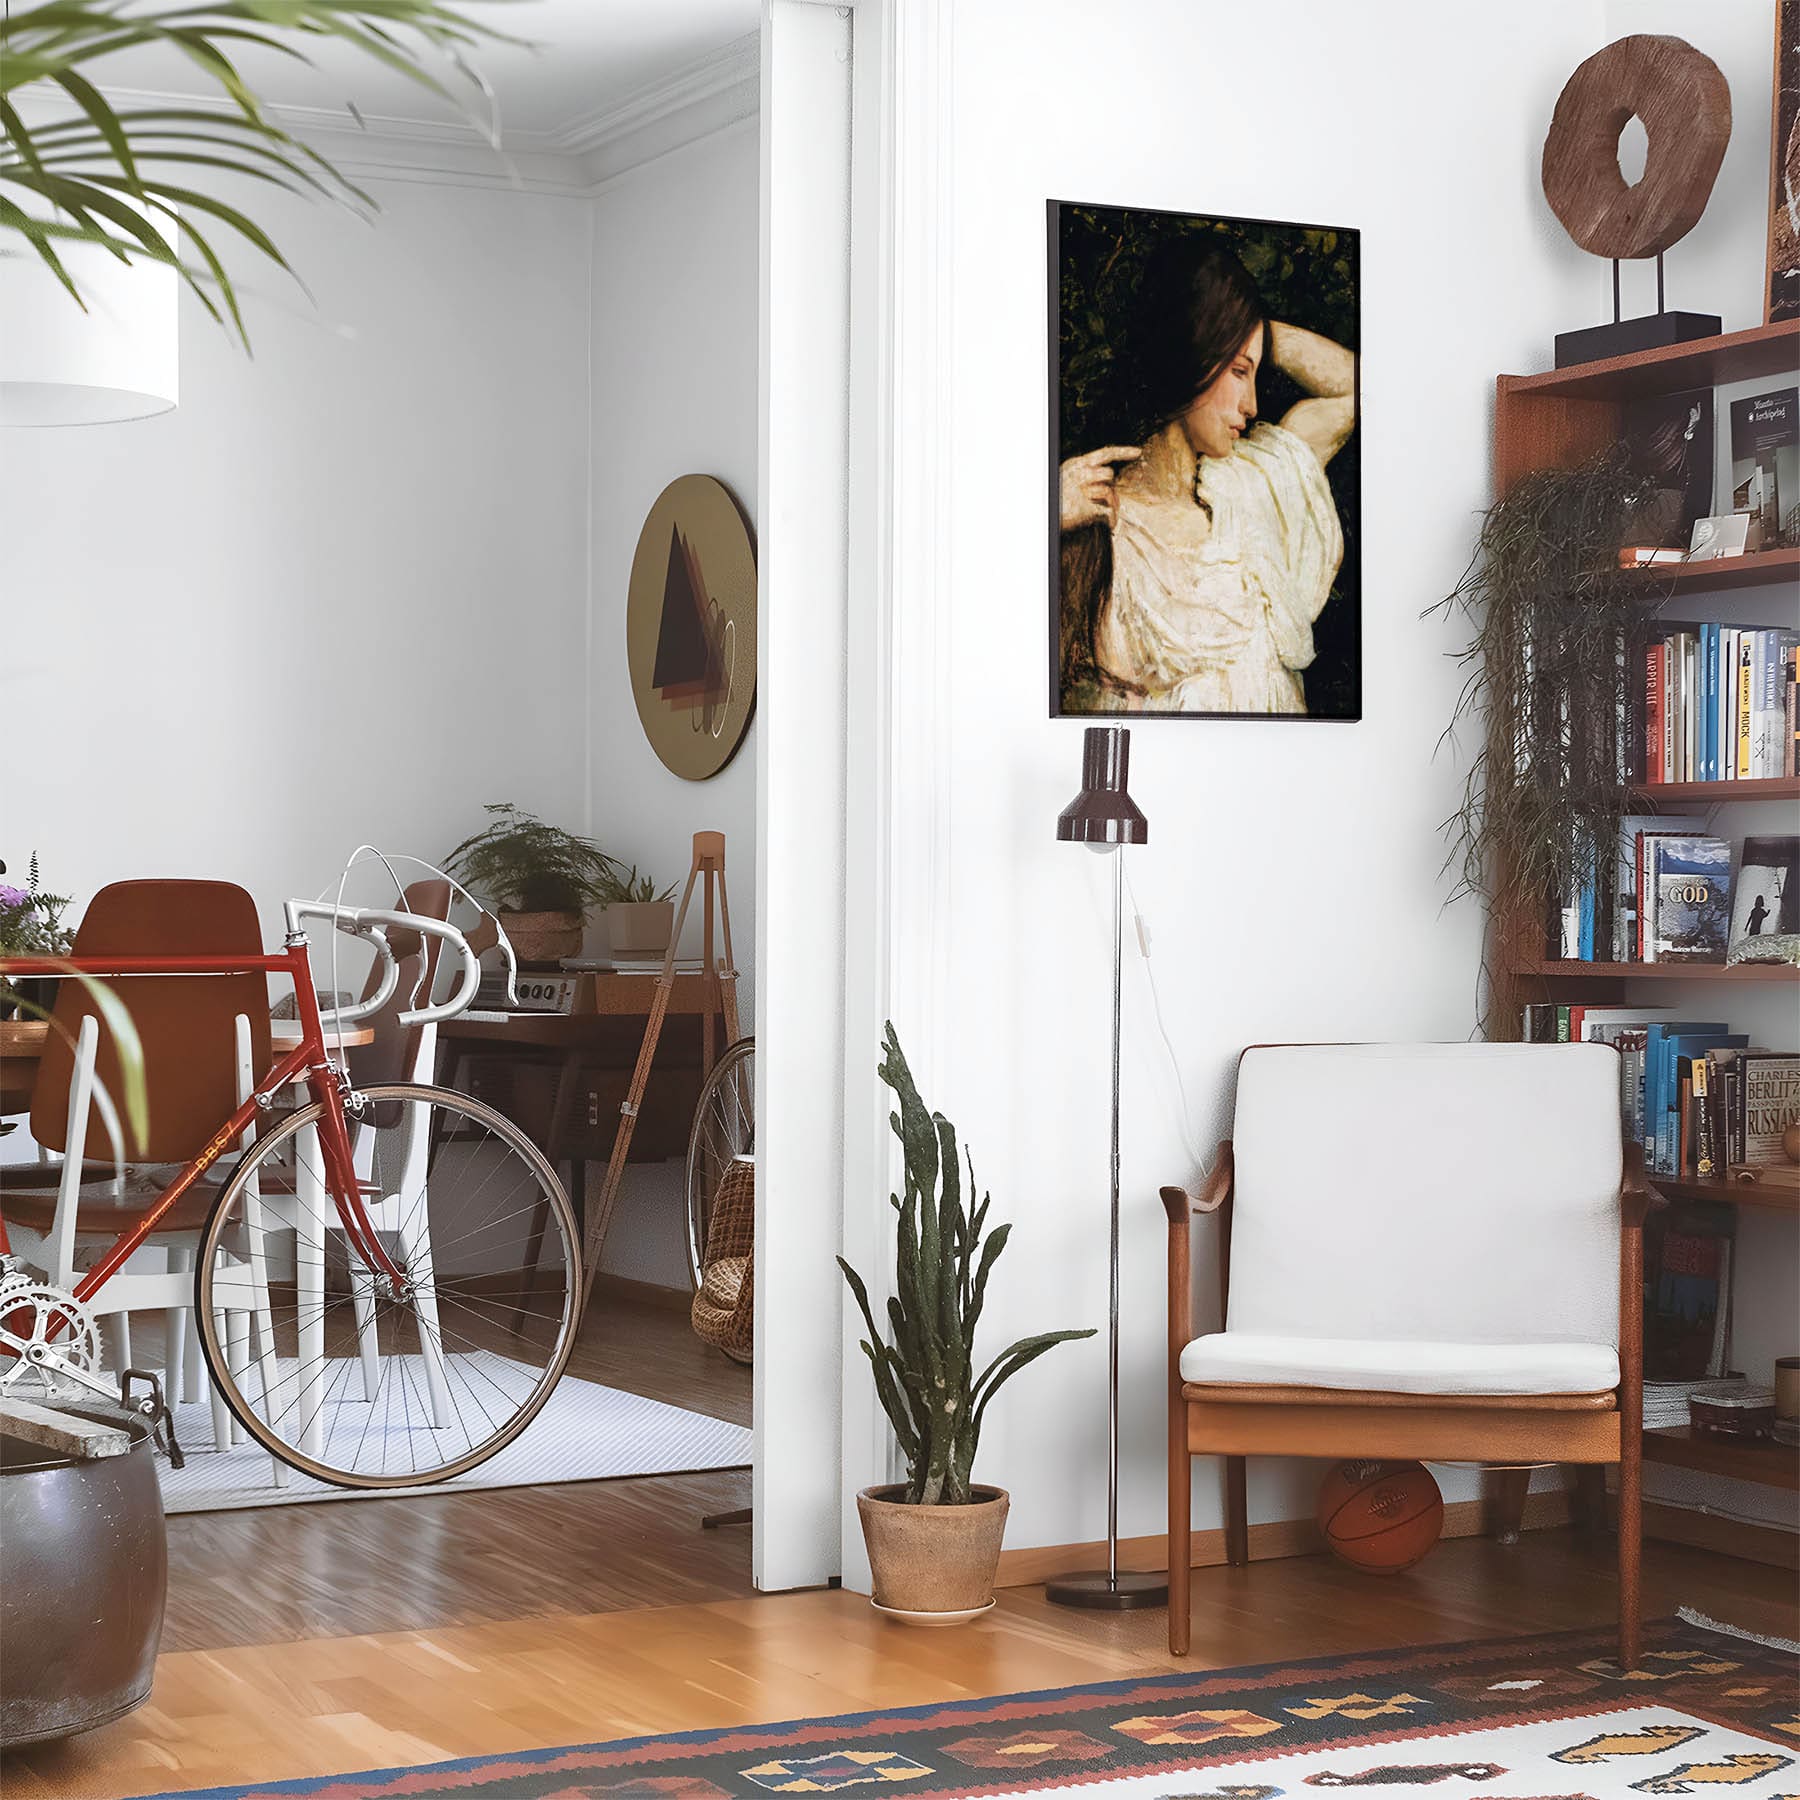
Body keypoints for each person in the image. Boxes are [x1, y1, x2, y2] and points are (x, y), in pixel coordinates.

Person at [1059, 236, 1356, 714]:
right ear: (1192, 352)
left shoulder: (1251, 486)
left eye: (1255, 374)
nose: (1252, 405)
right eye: (1239, 371)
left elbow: (1352, 389)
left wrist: (1251, 329)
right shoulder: (1098, 516)